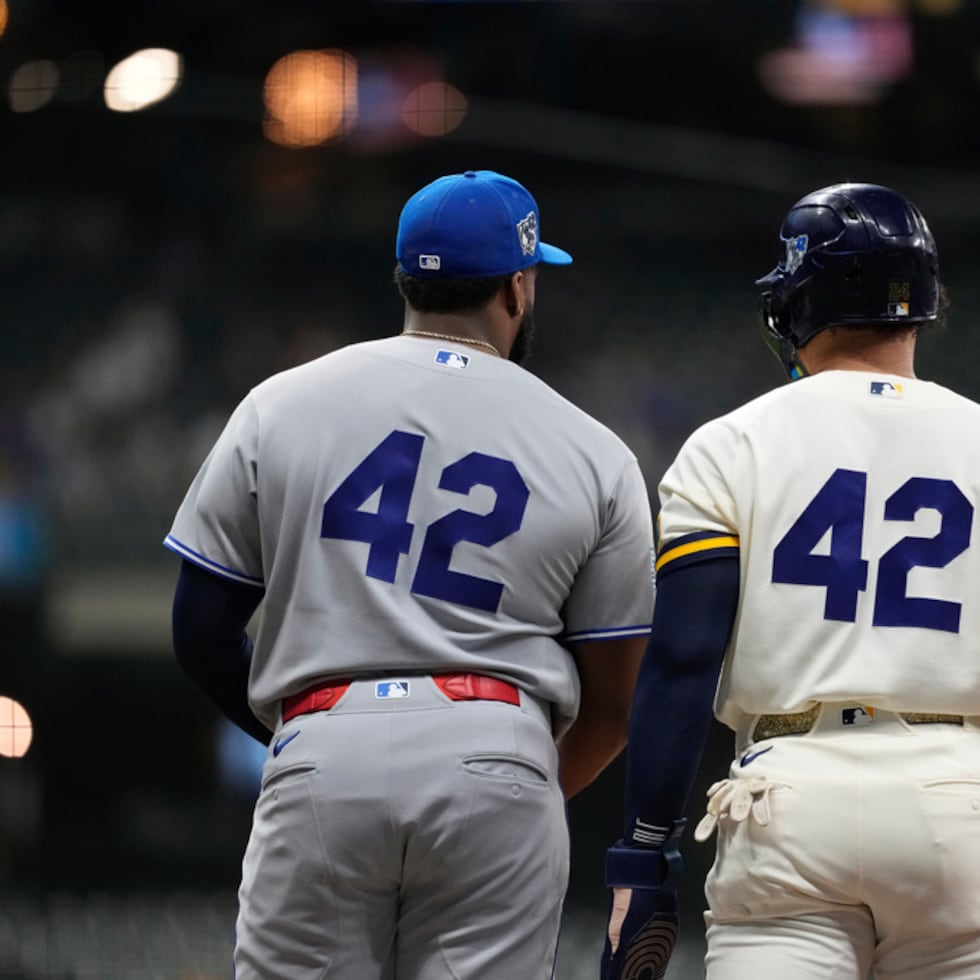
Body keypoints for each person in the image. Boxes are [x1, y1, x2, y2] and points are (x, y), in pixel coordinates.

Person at [163, 168, 656, 980]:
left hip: (324, 734)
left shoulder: (281, 402)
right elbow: (614, 704)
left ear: (405, 279)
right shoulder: (594, 449)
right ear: (519, 287)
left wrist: (310, 737)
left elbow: (199, 629)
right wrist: (515, 777)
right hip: (499, 739)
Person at [601, 181, 980, 980]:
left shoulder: (732, 441)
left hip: (790, 795)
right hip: (959, 796)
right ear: (924, 303)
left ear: (800, 302)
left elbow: (681, 661)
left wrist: (643, 855)